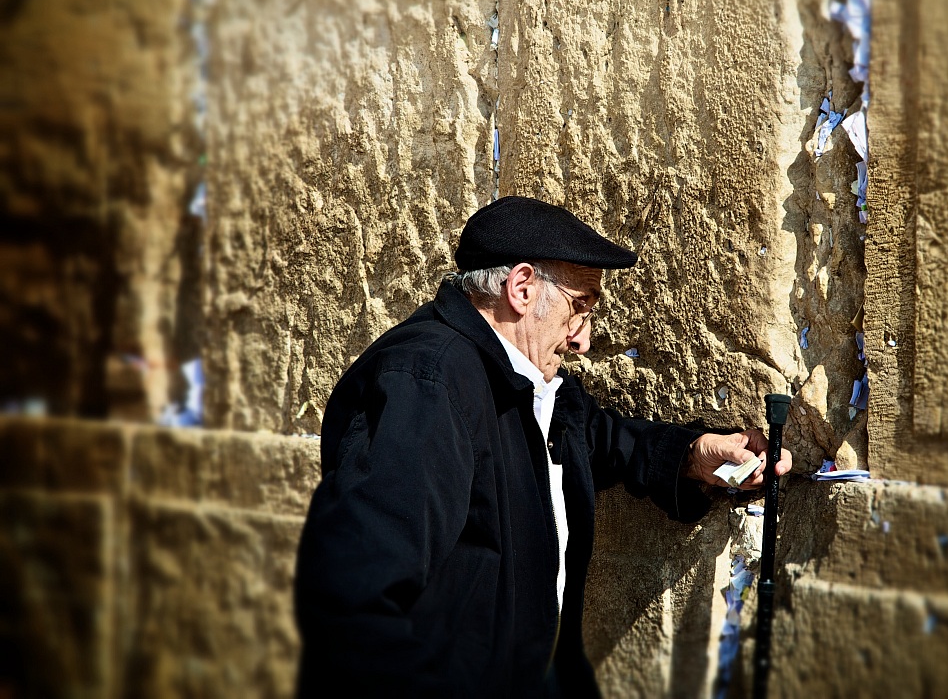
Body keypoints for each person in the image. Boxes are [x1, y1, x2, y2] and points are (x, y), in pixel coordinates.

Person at [294, 196, 792, 697]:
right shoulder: (429, 383)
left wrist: (696, 456)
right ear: (523, 288)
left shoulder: (521, 381)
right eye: (580, 307)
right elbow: (353, 595)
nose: (583, 340)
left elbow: (595, 440)